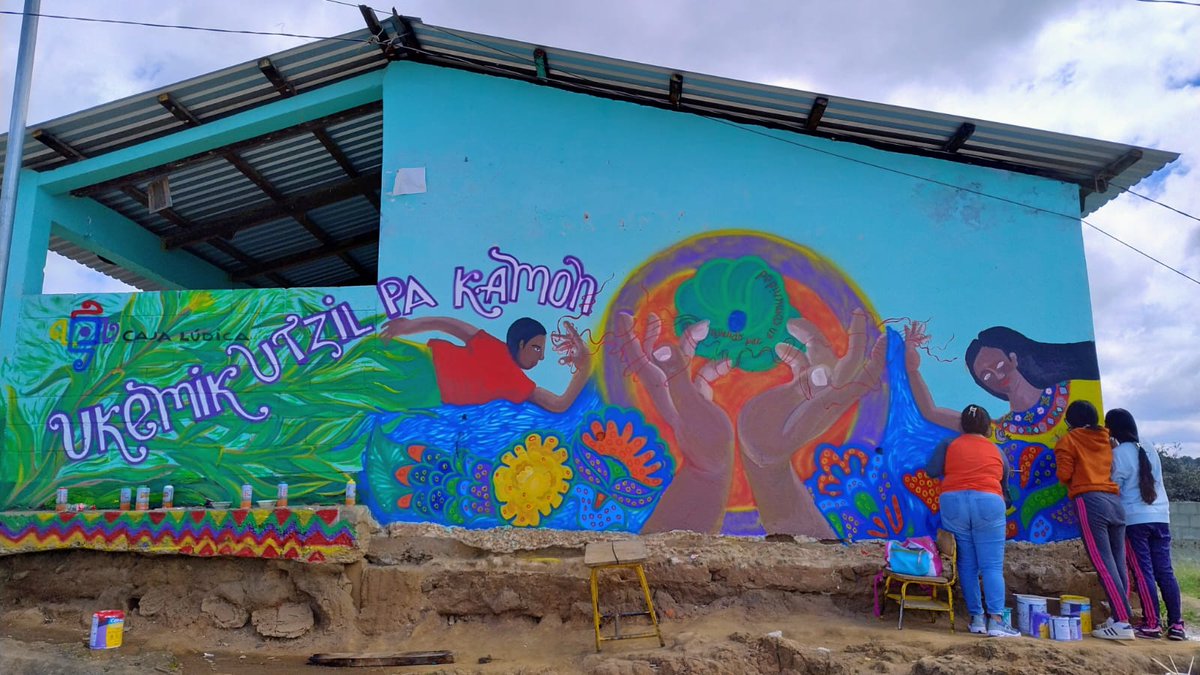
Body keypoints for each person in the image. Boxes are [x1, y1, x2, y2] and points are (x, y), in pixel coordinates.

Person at [925, 404, 1020, 638]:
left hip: (953, 501)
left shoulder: (949, 444)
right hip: (988, 501)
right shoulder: (997, 451)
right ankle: (996, 621)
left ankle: (976, 619)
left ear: (962, 426)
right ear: (988, 427)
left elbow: (931, 470)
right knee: (991, 566)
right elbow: (1004, 486)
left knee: (966, 564)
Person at [380, 315, 591, 413]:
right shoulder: (512, 375)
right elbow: (558, 404)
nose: (541, 357)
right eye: (537, 348)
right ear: (521, 344)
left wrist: (409, 326)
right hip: (421, 370)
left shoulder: (515, 378)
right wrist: (584, 368)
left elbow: (449, 325)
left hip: (421, 373)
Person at [1055, 400, 1134, 640]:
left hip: (1090, 501)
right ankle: (1123, 615)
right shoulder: (1106, 439)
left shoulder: (1068, 441)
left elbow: (1064, 475)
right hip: (1115, 502)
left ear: (1070, 421)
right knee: (1118, 563)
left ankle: (1122, 621)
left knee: (1102, 564)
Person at [1107, 408, 1186, 641]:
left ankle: (1152, 623)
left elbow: (1114, 486)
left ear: (1111, 430)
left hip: (1135, 520)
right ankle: (1176, 625)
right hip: (1161, 516)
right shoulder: (1149, 448)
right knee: (1165, 572)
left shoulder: (1119, 454)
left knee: (1143, 573)